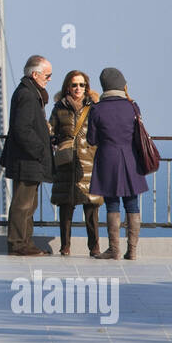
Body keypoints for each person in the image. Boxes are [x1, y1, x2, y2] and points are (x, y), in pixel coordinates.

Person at [86, 67, 148, 261]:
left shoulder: (97, 109)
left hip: (107, 159)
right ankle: (133, 250)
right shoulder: (132, 106)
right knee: (132, 203)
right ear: (122, 84)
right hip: (131, 159)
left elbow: (92, 139)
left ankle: (114, 249)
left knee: (112, 204)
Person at [0, 54, 54, 256]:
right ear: (35, 74)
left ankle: (25, 242)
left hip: (28, 160)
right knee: (23, 205)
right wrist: (40, 150)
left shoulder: (29, 93)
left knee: (29, 205)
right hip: (27, 160)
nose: (49, 79)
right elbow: (22, 129)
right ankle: (18, 244)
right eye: (47, 75)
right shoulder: (27, 95)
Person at [49, 70, 102, 257]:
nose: (78, 88)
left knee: (91, 209)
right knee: (65, 208)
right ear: (67, 87)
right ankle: (65, 247)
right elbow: (51, 131)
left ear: (87, 87)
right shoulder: (59, 108)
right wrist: (56, 140)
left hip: (88, 162)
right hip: (66, 162)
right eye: (74, 85)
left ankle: (94, 247)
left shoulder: (95, 107)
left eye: (82, 85)